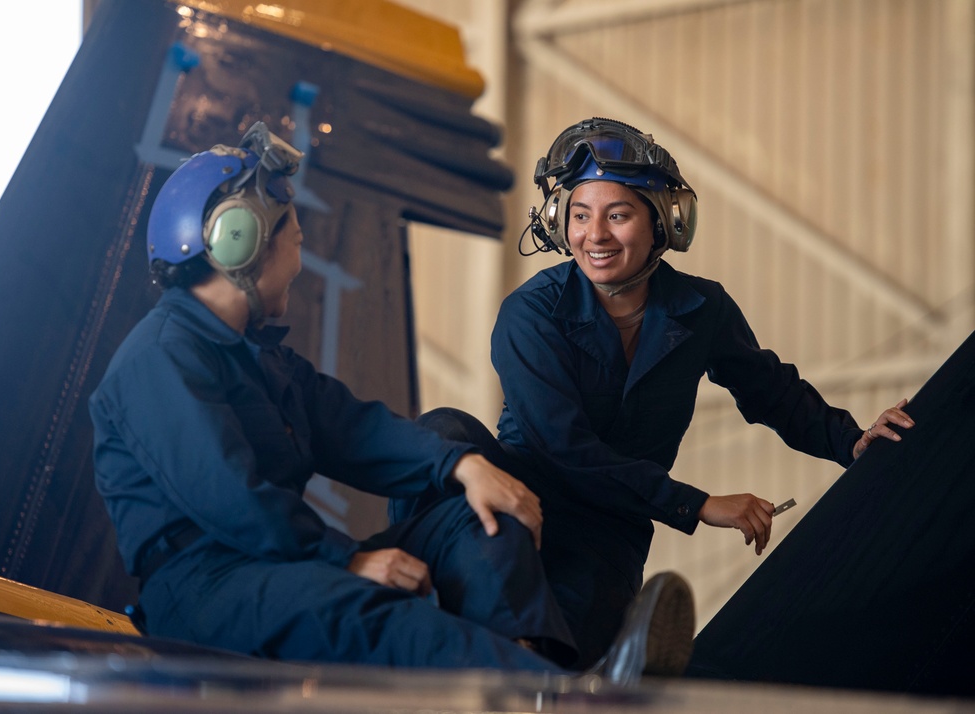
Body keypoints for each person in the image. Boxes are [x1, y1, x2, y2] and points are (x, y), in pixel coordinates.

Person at [88, 122, 681, 682]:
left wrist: (461, 466)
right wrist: (340, 561)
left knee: (473, 516)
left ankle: (544, 674)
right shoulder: (159, 359)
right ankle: (573, 701)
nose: (299, 246)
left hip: (278, 566)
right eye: (290, 232)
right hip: (207, 587)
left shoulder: (255, 356)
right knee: (373, 612)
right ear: (238, 242)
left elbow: (351, 428)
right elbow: (231, 497)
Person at [390, 117, 914, 669]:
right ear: (556, 222)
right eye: (579, 215)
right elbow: (560, 445)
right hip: (514, 512)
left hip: (608, 533)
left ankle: (556, 658)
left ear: (663, 221)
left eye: (618, 215)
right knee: (445, 432)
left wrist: (852, 441)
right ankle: (421, 600)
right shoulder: (530, 313)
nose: (595, 235)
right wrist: (698, 505)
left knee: (572, 664)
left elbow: (772, 393)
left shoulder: (703, 309)